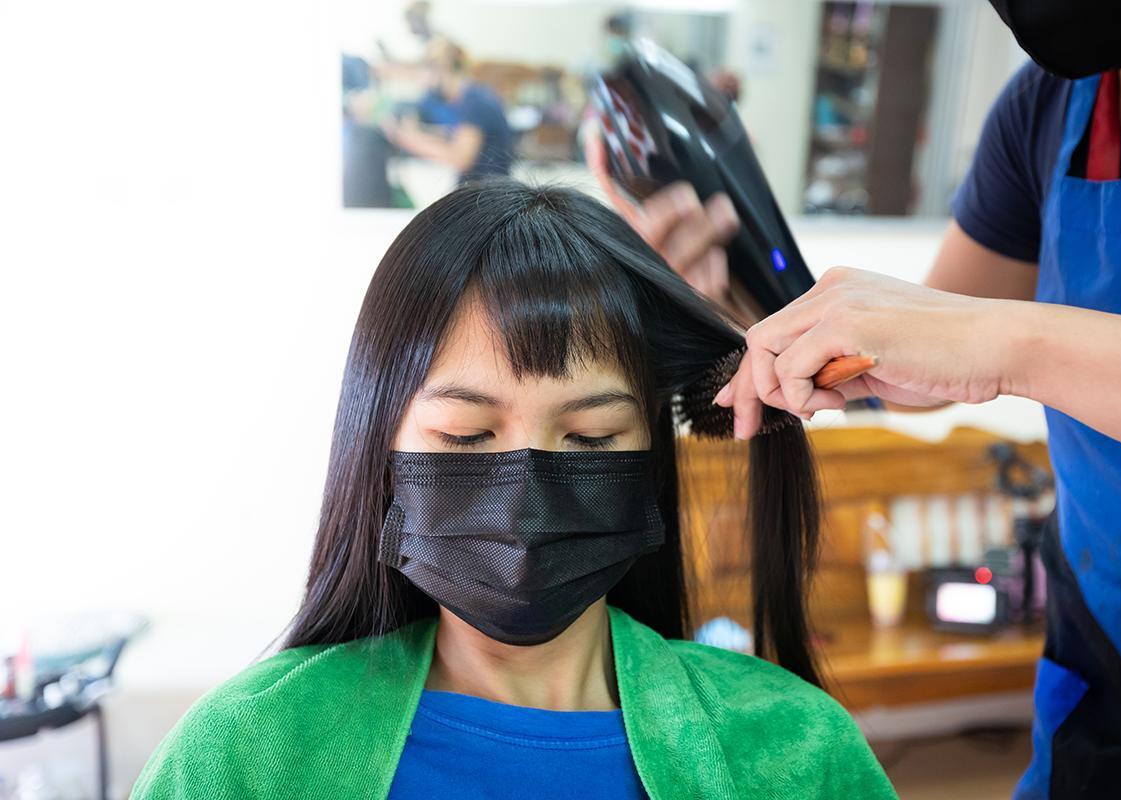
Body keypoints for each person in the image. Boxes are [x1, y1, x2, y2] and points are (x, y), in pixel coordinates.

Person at [589, 1, 1121, 796]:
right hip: (1116, 663)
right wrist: (754, 311)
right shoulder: (1048, 114)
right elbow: (920, 369)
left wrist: (1014, 345)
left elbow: (982, 343)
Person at [127, 180, 897, 799]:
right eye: (465, 436)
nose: (524, 500)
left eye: (590, 438)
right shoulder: (241, 759)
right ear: (379, 444)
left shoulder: (794, 751)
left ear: (649, 459)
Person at [387, 38, 513, 185]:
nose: (423, 82)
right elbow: (452, 141)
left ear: (441, 69)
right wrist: (416, 136)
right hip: (478, 191)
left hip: (486, 196)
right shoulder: (466, 100)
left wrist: (407, 139)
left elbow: (460, 158)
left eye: (424, 72)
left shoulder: (476, 102)